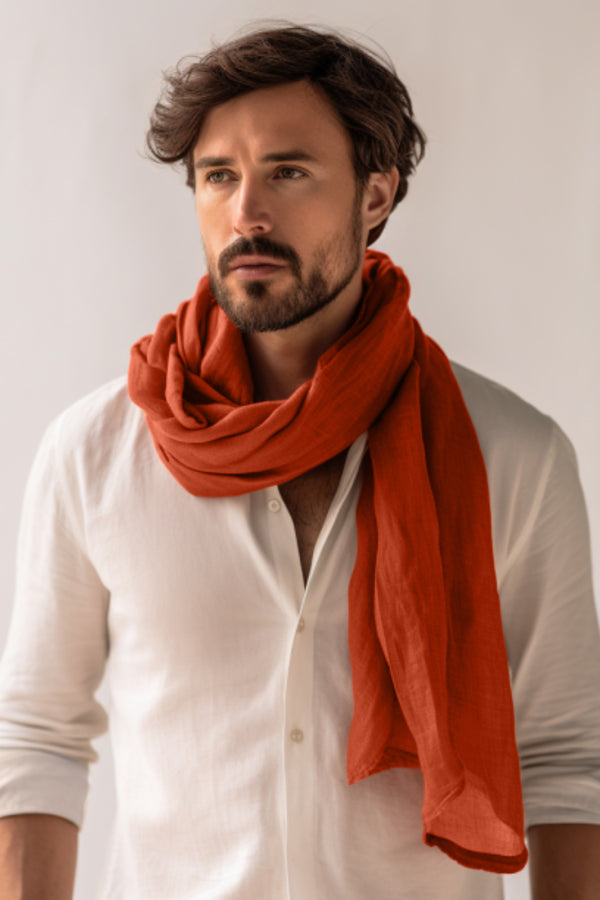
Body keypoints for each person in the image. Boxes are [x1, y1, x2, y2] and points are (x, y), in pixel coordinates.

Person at [0, 23, 599, 900]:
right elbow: (37, 741)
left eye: (288, 171)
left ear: (375, 192)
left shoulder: (514, 455)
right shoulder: (95, 454)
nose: (247, 213)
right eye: (219, 176)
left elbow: (564, 759)